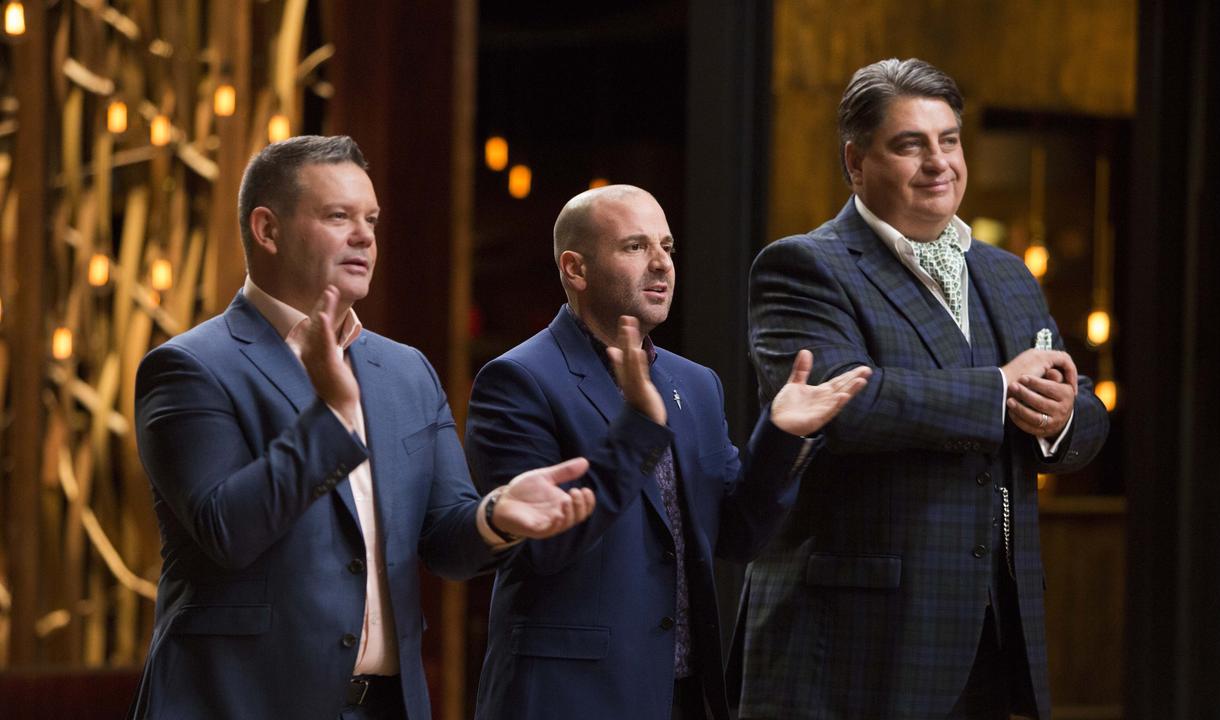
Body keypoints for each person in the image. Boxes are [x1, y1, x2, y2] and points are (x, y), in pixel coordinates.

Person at [128, 135, 597, 720]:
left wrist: (495, 515)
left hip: (385, 706)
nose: (365, 236)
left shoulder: (405, 370)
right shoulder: (189, 367)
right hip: (237, 703)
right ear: (267, 230)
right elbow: (227, 530)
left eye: (371, 219)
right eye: (338, 216)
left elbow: (445, 542)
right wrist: (333, 416)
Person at [735, 59, 1110, 719]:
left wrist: (1058, 420)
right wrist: (999, 392)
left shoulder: (1010, 275)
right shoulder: (803, 266)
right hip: (854, 640)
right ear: (855, 162)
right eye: (910, 144)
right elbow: (846, 402)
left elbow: (1084, 406)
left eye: (950, 140)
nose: (939, 161)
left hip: (996, 630)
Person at [465, 185, 870, 720]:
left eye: (667, 246)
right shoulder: (518, 380)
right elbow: (542, 548)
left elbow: (737, 533)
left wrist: (781, 436)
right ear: (575, 269)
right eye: (635, 247)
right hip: (569, 696)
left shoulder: (694, 383)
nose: (661, 265)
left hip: (682, 694)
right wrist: (638, 430)